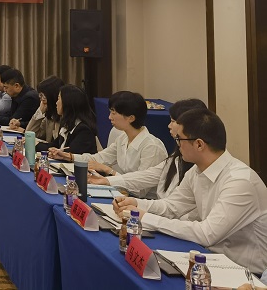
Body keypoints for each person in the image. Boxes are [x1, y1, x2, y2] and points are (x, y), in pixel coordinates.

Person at [114, 108, 267, 273]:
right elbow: (172, 206)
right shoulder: (197, 170)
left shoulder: (240, 181)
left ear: (199, 144)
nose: (177, 144)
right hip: (211, 260)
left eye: (179, 139)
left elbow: (207, 234)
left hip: (248, 273)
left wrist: (146, 218)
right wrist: (136, 204)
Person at [90, 98, 208, 199]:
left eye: (172, 121)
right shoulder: (177, 157)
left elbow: (170, 206)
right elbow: (148, 175)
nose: (169, 125)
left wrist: (109, 173)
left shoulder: (152, 146)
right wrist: (107, 180)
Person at [69, 91, 167, 195]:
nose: (109, 117)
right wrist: (70, 157)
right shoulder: (123, 138)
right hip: (123, 193)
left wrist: (109, 171)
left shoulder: (151, 146)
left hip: (143, 200)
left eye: (113, 113)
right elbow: (99, 158)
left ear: (131, 118)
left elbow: (140, 190)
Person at [47, 84, 97, 156]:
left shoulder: (84, 131)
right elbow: (53, 145)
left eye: (58, 99)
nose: (56, 103)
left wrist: (56, 152)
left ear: (67, 102)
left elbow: (71, 154)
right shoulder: (67, 124)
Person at [13, 75, 63, 146]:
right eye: (40, 95)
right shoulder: (49, 116)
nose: (41, 99)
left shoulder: (64, 117)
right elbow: (30, 135)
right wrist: (39, 111)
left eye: (43, 95)